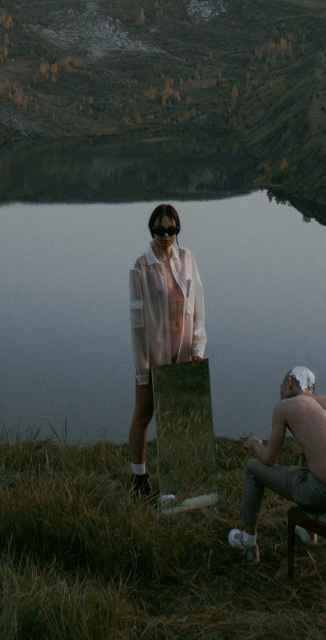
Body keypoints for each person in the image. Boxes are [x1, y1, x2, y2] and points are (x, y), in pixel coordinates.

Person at [227, 366, 326, 561]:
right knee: (308, 464)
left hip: (322, 495)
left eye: (281, 387)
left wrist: (256, 444)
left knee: (253, 468)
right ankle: (307, 530)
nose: (280, 393)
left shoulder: (284, 408)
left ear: (289, 384)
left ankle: (248, 542)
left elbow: (269, 460)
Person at [128, 202, 206, 497]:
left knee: (178, 417)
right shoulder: (142, 265)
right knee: (144, 413)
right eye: (160, 230)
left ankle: (178, 479)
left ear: (177, 230)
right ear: (152, 229)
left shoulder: (188, 259)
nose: (166, 236)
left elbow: (197, 306)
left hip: (183, 352)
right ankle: (139, 478)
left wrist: (198, 346)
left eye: (171, 230)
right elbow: (137, 321)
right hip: (154, 355)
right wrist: (142, 366)